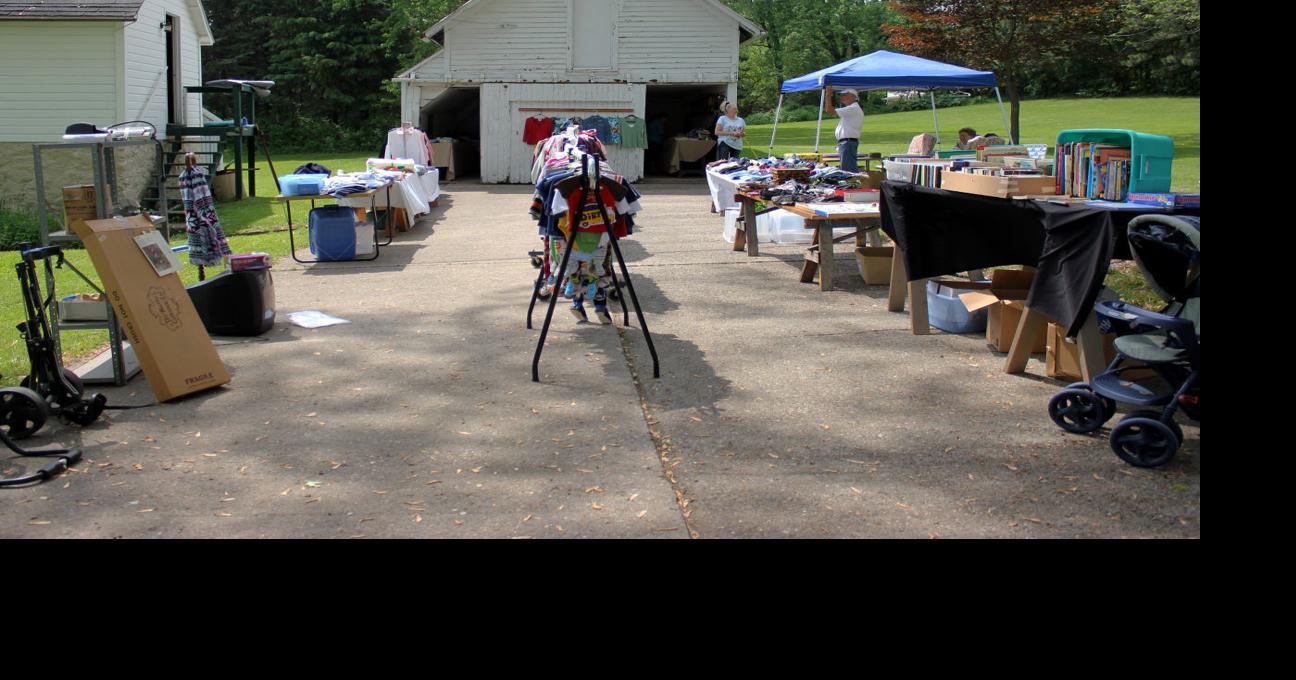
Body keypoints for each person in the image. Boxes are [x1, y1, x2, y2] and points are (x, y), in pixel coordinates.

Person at [823, 86, 864, 172]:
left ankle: (853, 185)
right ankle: (853, 184)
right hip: (847, 142)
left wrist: (828, 95)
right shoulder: (853, 108)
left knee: (848, 171)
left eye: (845, 95)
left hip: (847, 143)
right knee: (848, 169)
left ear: (853, 97)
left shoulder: (853, 108)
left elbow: (829, 110)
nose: (842, 98)